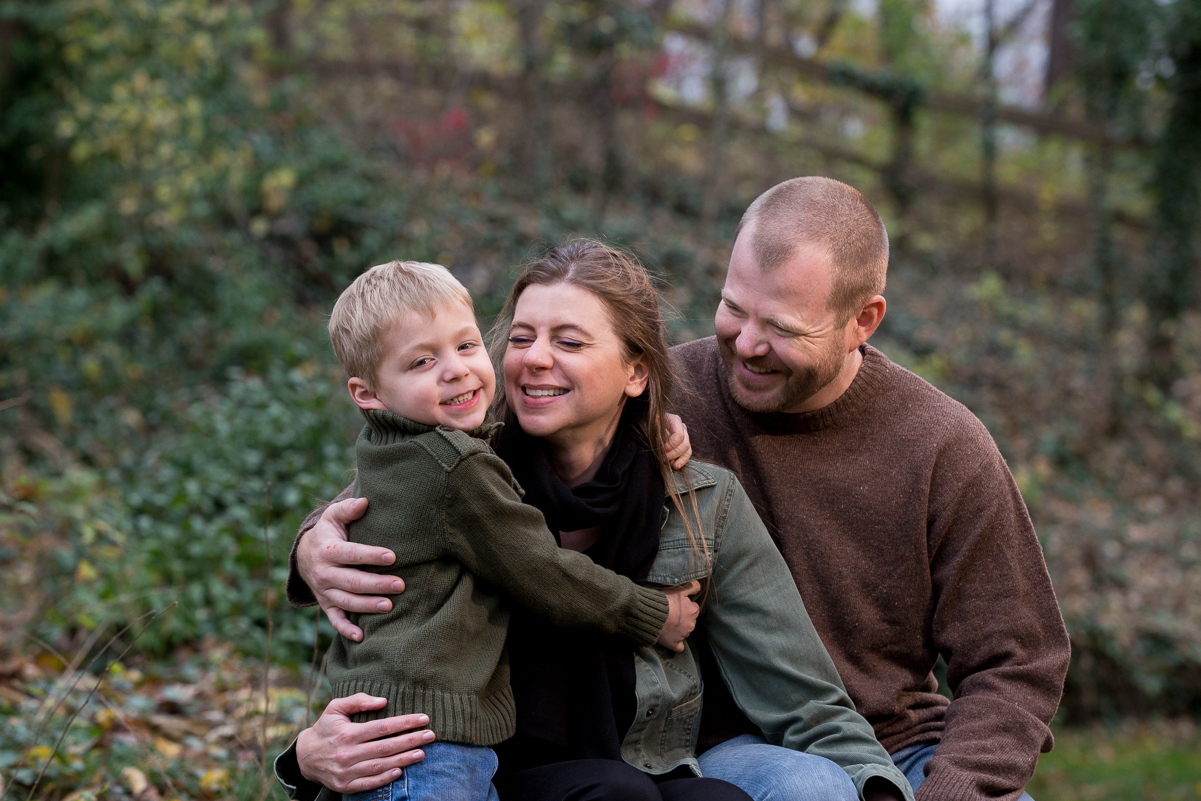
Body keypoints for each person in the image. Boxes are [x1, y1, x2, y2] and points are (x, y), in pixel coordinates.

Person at [287, 178, 1072, 801]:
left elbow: (1018, 658)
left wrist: (950, 790)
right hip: (681, 738)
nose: (747, 345)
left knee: (825, 784)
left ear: (863, 319)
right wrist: (314, 541)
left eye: (784, 329)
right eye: (733, 310)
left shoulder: (940, 444)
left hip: (888, 738)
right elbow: (420, 459)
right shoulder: (620, 391)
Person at [317, 259, 704, 801]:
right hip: (428, 744)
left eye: (467, 346)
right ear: (368, 394)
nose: (454, 370)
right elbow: (541, 570)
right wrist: (653, 613)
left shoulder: (395, 451)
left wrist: (643, 425)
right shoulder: (458, 467)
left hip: (400, 726)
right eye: (423, 360)